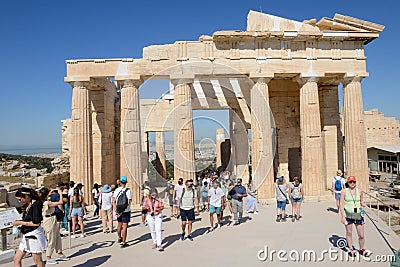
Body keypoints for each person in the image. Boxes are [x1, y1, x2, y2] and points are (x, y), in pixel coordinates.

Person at [13, 187, 47, 267]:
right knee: (16, 259)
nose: (19, 201)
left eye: (20, 199)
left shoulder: (36, 205)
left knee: (37, 260)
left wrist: (20, 222)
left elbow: (36, 223)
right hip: (25, 235)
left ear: (27, 197)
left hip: (34, 235)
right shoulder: (27, 205)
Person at [38, 187, 69, 265]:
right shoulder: (46, 203)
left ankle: (60, 253)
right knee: (51, 239)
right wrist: (60, 193)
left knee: (57, 237)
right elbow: (61, 202)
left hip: (52, 218)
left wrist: (52, 191)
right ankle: (48, 257)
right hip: (48, 220)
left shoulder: (47, 200)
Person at [339, 176, 368, 257]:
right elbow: (341, 204)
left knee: (361, 235)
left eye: (354, 182)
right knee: (349, 232)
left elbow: (361, 202)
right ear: (348, 183)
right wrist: (343, 216)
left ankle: (362, 249)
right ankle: (351, 249)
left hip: (358, 214)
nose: (352, 183)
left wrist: (365, 205)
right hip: (348, 214)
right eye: (350, 182)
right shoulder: (344, 191)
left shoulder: (360, 191)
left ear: (356, 182)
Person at [113, 176, 132, 248]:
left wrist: (116, 211)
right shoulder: (128, 190)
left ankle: (119, 238)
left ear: (120, 182)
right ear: (126, 182)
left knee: (119, 225)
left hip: (118, 210)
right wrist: (123, 210)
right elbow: (128, 202)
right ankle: (124, 242)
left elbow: (113, 201)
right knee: (125, 227)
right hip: (126, 211)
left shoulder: (116, 190)